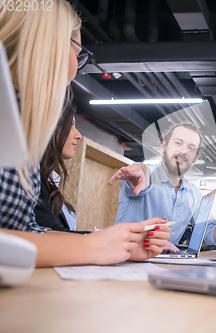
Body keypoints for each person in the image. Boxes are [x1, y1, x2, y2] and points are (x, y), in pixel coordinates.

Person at [0, 0, 171, 267]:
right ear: (49, 46)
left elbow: (25, 233)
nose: (74, 71)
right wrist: (90, 246)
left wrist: (121, 245)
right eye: (78, 52)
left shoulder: (19, 135)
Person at [110, 122, 216, 248]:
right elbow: (141, 173)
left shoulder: (193, 194)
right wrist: (141, 171)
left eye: (191, 148)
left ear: (196, 157)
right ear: (164, 146)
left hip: (165, 266)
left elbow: (214, 237)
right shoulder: (145, 177)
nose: (183, 151)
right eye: (178, 143)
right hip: (125, 261)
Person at [35, 105, 82, 232]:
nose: (78, 135)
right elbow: (51, 232)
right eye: (70, 125)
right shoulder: (33, 178)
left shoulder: (49, 178)